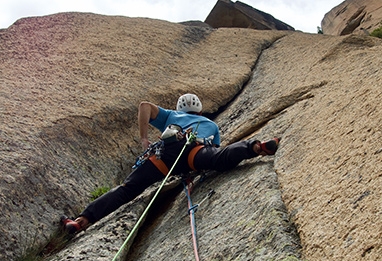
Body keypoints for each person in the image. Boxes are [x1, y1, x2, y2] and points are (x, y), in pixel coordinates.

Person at [62, 93, 278, 234]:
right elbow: (217, 152)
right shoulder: (210, 124)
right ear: (200, 112)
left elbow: (144, 105)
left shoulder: (171, 115)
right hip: (193, 151)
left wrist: (144, 137)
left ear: (179, 109)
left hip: (164, 154)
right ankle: (256, 147)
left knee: (127, 190)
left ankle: (81, 220)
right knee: (218, 159)